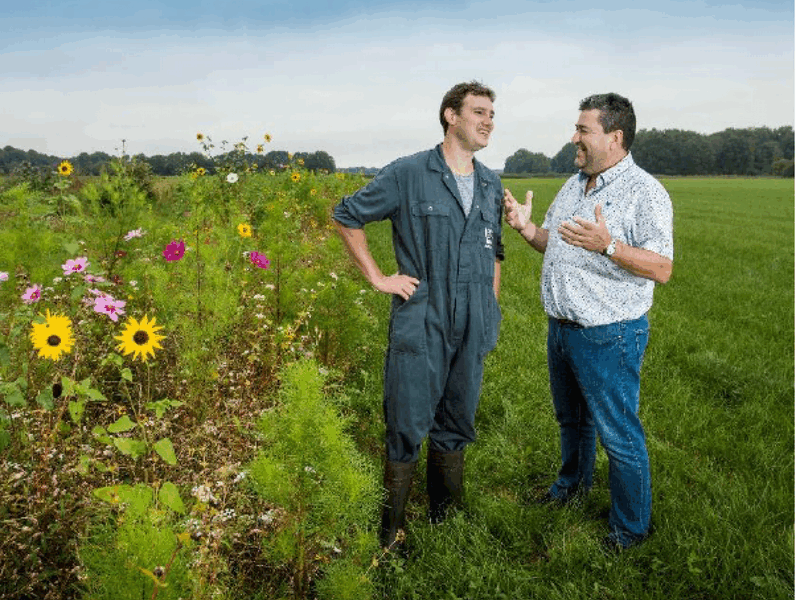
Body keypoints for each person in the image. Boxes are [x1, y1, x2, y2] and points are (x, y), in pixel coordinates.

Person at [333, 81, 504, 550]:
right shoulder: (408, 174)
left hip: (473, 319)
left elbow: (495, 254)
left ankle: (445, 519)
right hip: (422, 315)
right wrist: (377, 277)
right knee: (407, 422)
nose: (489, 121)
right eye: (480, 112)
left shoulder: (491, 182)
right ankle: (390, 531)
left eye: (493, 114)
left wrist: (488, 309)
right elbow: (347, 215)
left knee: (458, 418)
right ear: (451, 116)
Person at [504, 92, 673, 550]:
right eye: (576, 128)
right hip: (563, 329)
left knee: (619, 435)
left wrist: (610, 246)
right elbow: (554, 245)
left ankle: (629, 530)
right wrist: (524, 228)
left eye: (583, 130)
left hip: (609, 333)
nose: (573, 137)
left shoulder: (645, 192)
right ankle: (571, 489)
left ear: (614, 137)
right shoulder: (575, 184)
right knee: (572, 422)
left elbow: (662, 267)